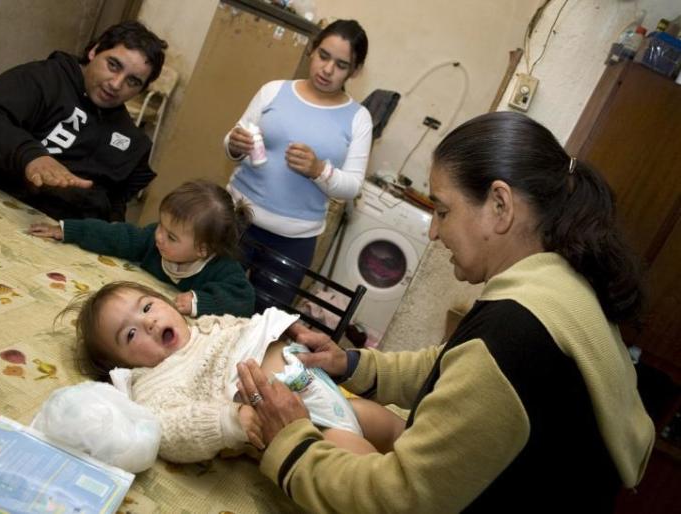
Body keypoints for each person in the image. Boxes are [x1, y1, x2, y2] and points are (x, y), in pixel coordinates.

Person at [235, 111, 656, 513]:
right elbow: (454, 367)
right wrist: (350, 364)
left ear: (500, 205)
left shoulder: (516, 333)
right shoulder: (560, 288)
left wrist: (289, 442)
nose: (434, 232)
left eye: (443, 210)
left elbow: (398, 500)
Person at [61, 280, 405, 463]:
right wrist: (226, 421)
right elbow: (168, 430)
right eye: (130, 334)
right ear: (123, 364)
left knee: (397, 430)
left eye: (148, 307)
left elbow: (252, 327)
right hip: (309, 427)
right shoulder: (154, 382)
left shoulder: (207, 325)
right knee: (363, 466)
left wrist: (291, 333)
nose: (149, 322)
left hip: (326, 391)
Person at [224, 19, 372, 308]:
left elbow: (352, 186)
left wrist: (319, 170)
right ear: (312, 50)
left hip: (293, 242)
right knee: (210, 302)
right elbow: (234, 137)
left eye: (341, 65)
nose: (327, 69)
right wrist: (233, 144)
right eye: (323, 56)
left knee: (262, 325)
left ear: (354, 71)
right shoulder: (274, 90)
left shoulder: (358, 118)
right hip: (237, 220)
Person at [0, 21, 167, 221]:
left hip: (60, 236)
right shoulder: (42, 79)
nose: (116, 84)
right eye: (113, 65)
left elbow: (114, 210)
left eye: (132, 81)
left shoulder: (133, 143)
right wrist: (31, 156)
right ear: (94, 51)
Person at [29, 180, 255, 318]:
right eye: (160, 225)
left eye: (171, 236)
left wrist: (200, 302)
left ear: (203, 250)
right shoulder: (152, 239)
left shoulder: (223, 268)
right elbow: (116, 236)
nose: (158, 236)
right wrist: (69, 230)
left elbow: (244, 301)